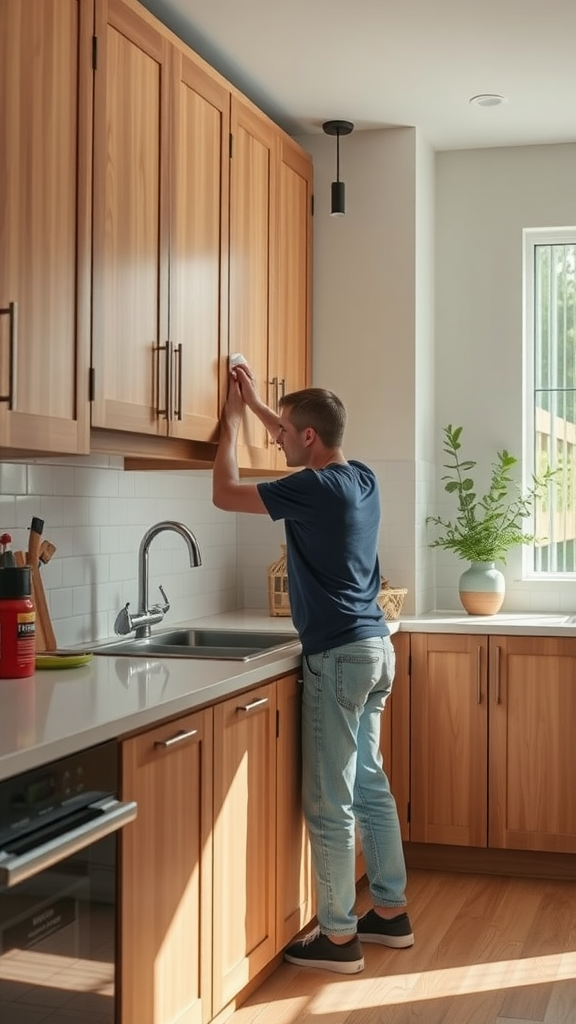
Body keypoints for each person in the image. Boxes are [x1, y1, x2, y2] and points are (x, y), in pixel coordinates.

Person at [212, 362, 413, 975]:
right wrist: (263, 409)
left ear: (308, 439)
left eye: (285, 432)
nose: (276, 438)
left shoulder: (312, 489)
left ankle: (337, 936)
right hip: (377, 650)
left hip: (338, 656)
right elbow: (299, 434)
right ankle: (390, 913)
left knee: (329, 803)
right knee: (369, 785)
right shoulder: (361, 478)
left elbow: (224, 493)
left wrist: (229, 423)